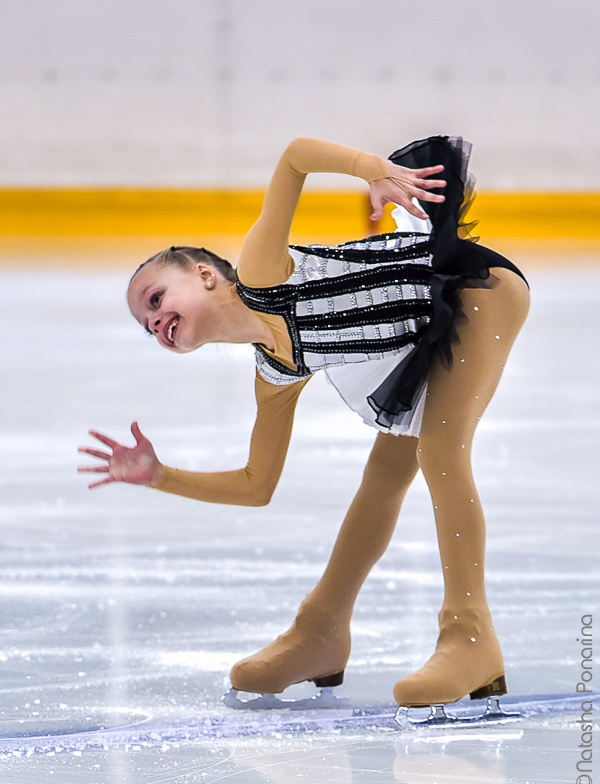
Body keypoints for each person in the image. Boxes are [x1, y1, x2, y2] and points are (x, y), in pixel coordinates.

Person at [78, 135, 530, 708]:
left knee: (439, 451)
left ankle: (470, 635)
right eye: (146, 323)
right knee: (385, 471)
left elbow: (293, 156)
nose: (154, 321)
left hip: (477, 290)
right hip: (416, 334)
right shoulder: (275, 369)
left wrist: (375, 170)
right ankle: (321, 629)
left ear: (206, 274)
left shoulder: (263, 273)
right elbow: (256, 485)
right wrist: (160, 475)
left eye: (156, 297)